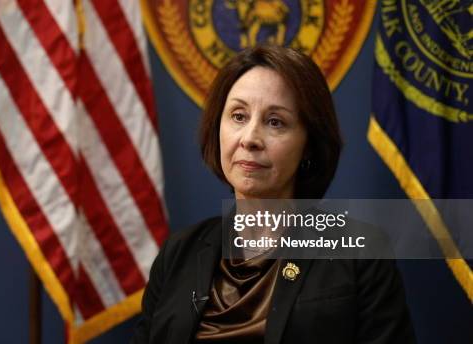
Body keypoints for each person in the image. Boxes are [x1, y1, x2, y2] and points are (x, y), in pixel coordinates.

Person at [130, 44, 416, 343]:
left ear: (308, 144)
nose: (250, 138)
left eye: (275, 122)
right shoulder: (178, 253)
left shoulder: (360, 253)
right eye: (239, 116)